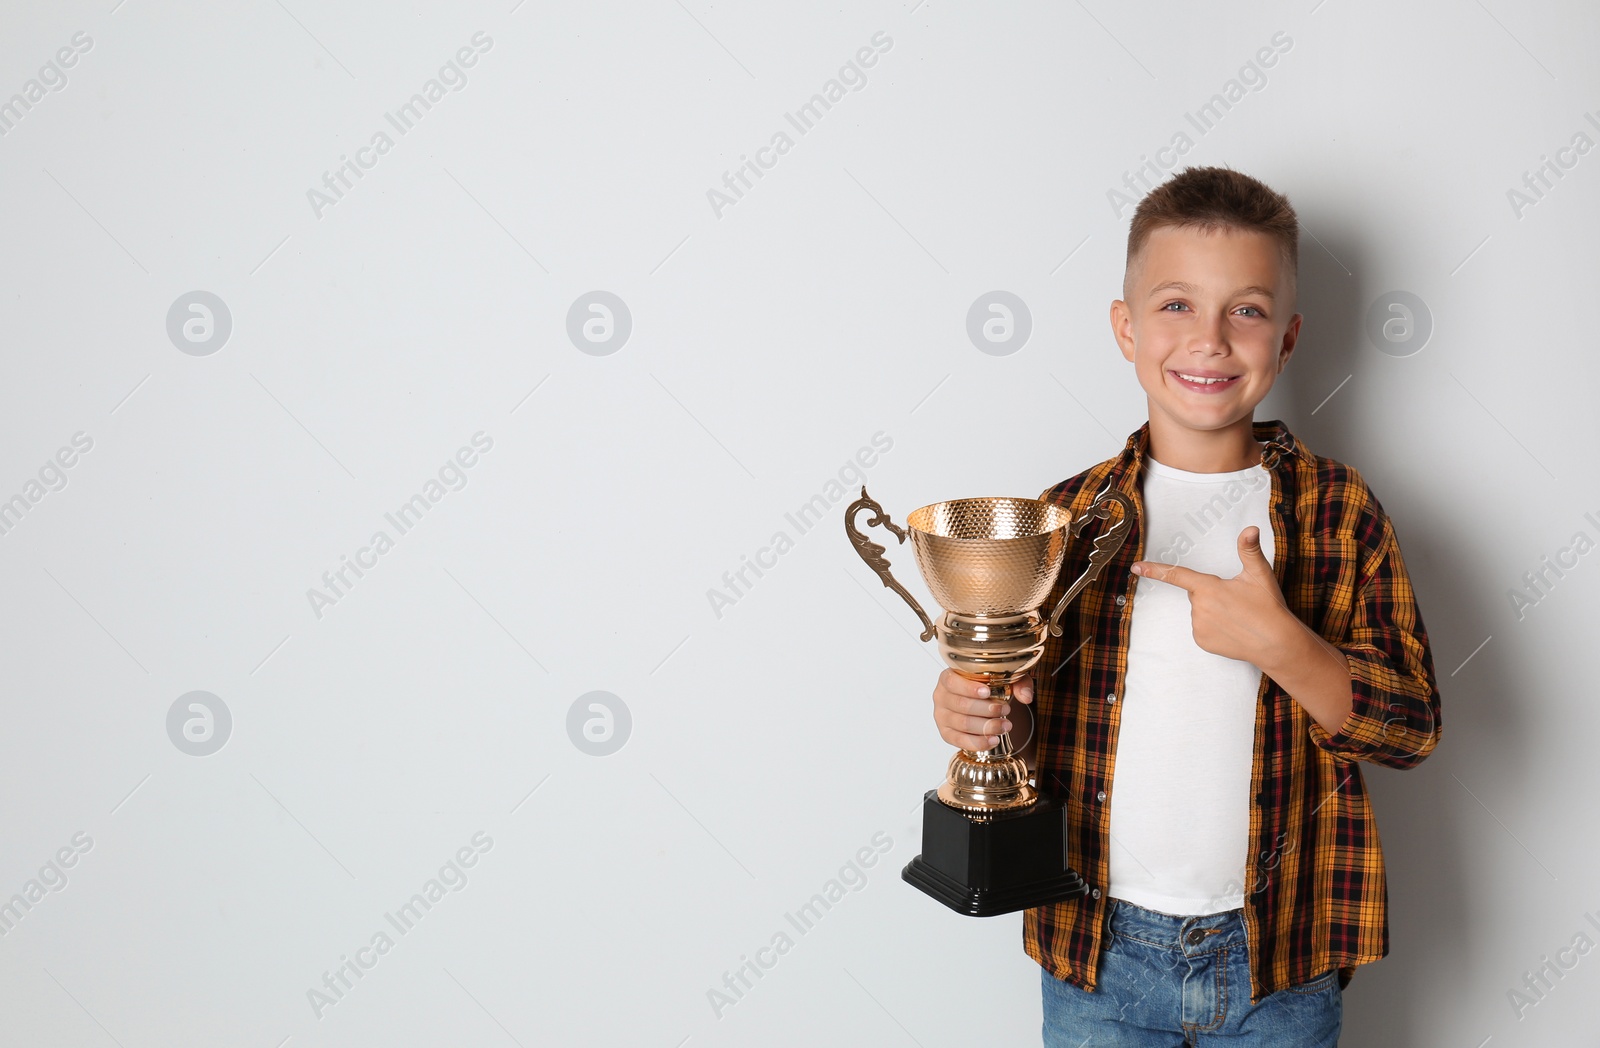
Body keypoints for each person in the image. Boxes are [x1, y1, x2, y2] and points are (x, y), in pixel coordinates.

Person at [929, 166, 1443, 1046]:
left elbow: (1412, 729)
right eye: (1175, 306)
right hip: (1096, 948)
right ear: (1126, 330)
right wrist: (984, 720)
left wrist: (1283, 645)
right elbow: (1033, 729)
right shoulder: (1062, 523)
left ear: (1287, 340)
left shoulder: (1339, 511)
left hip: (1282, 955)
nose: (1209, 339)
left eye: (1244, 310)